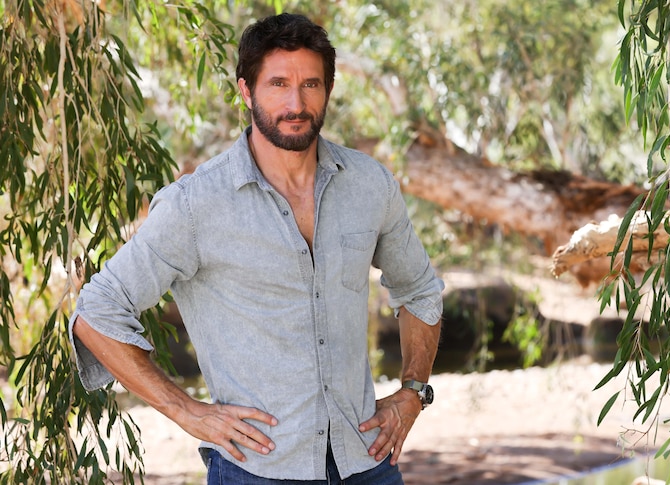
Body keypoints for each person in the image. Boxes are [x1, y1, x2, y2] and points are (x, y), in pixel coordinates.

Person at [69, 12, 443, 484]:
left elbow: (420, 290)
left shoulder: (370, 185)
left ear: (328, 89)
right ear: (246, 91)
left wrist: (413, 390)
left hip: (367, 462)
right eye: (278, 84)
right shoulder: (196, 204)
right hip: (257, 470)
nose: (296, 102)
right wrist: (188, 412)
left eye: (311, 84)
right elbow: (96, 311)